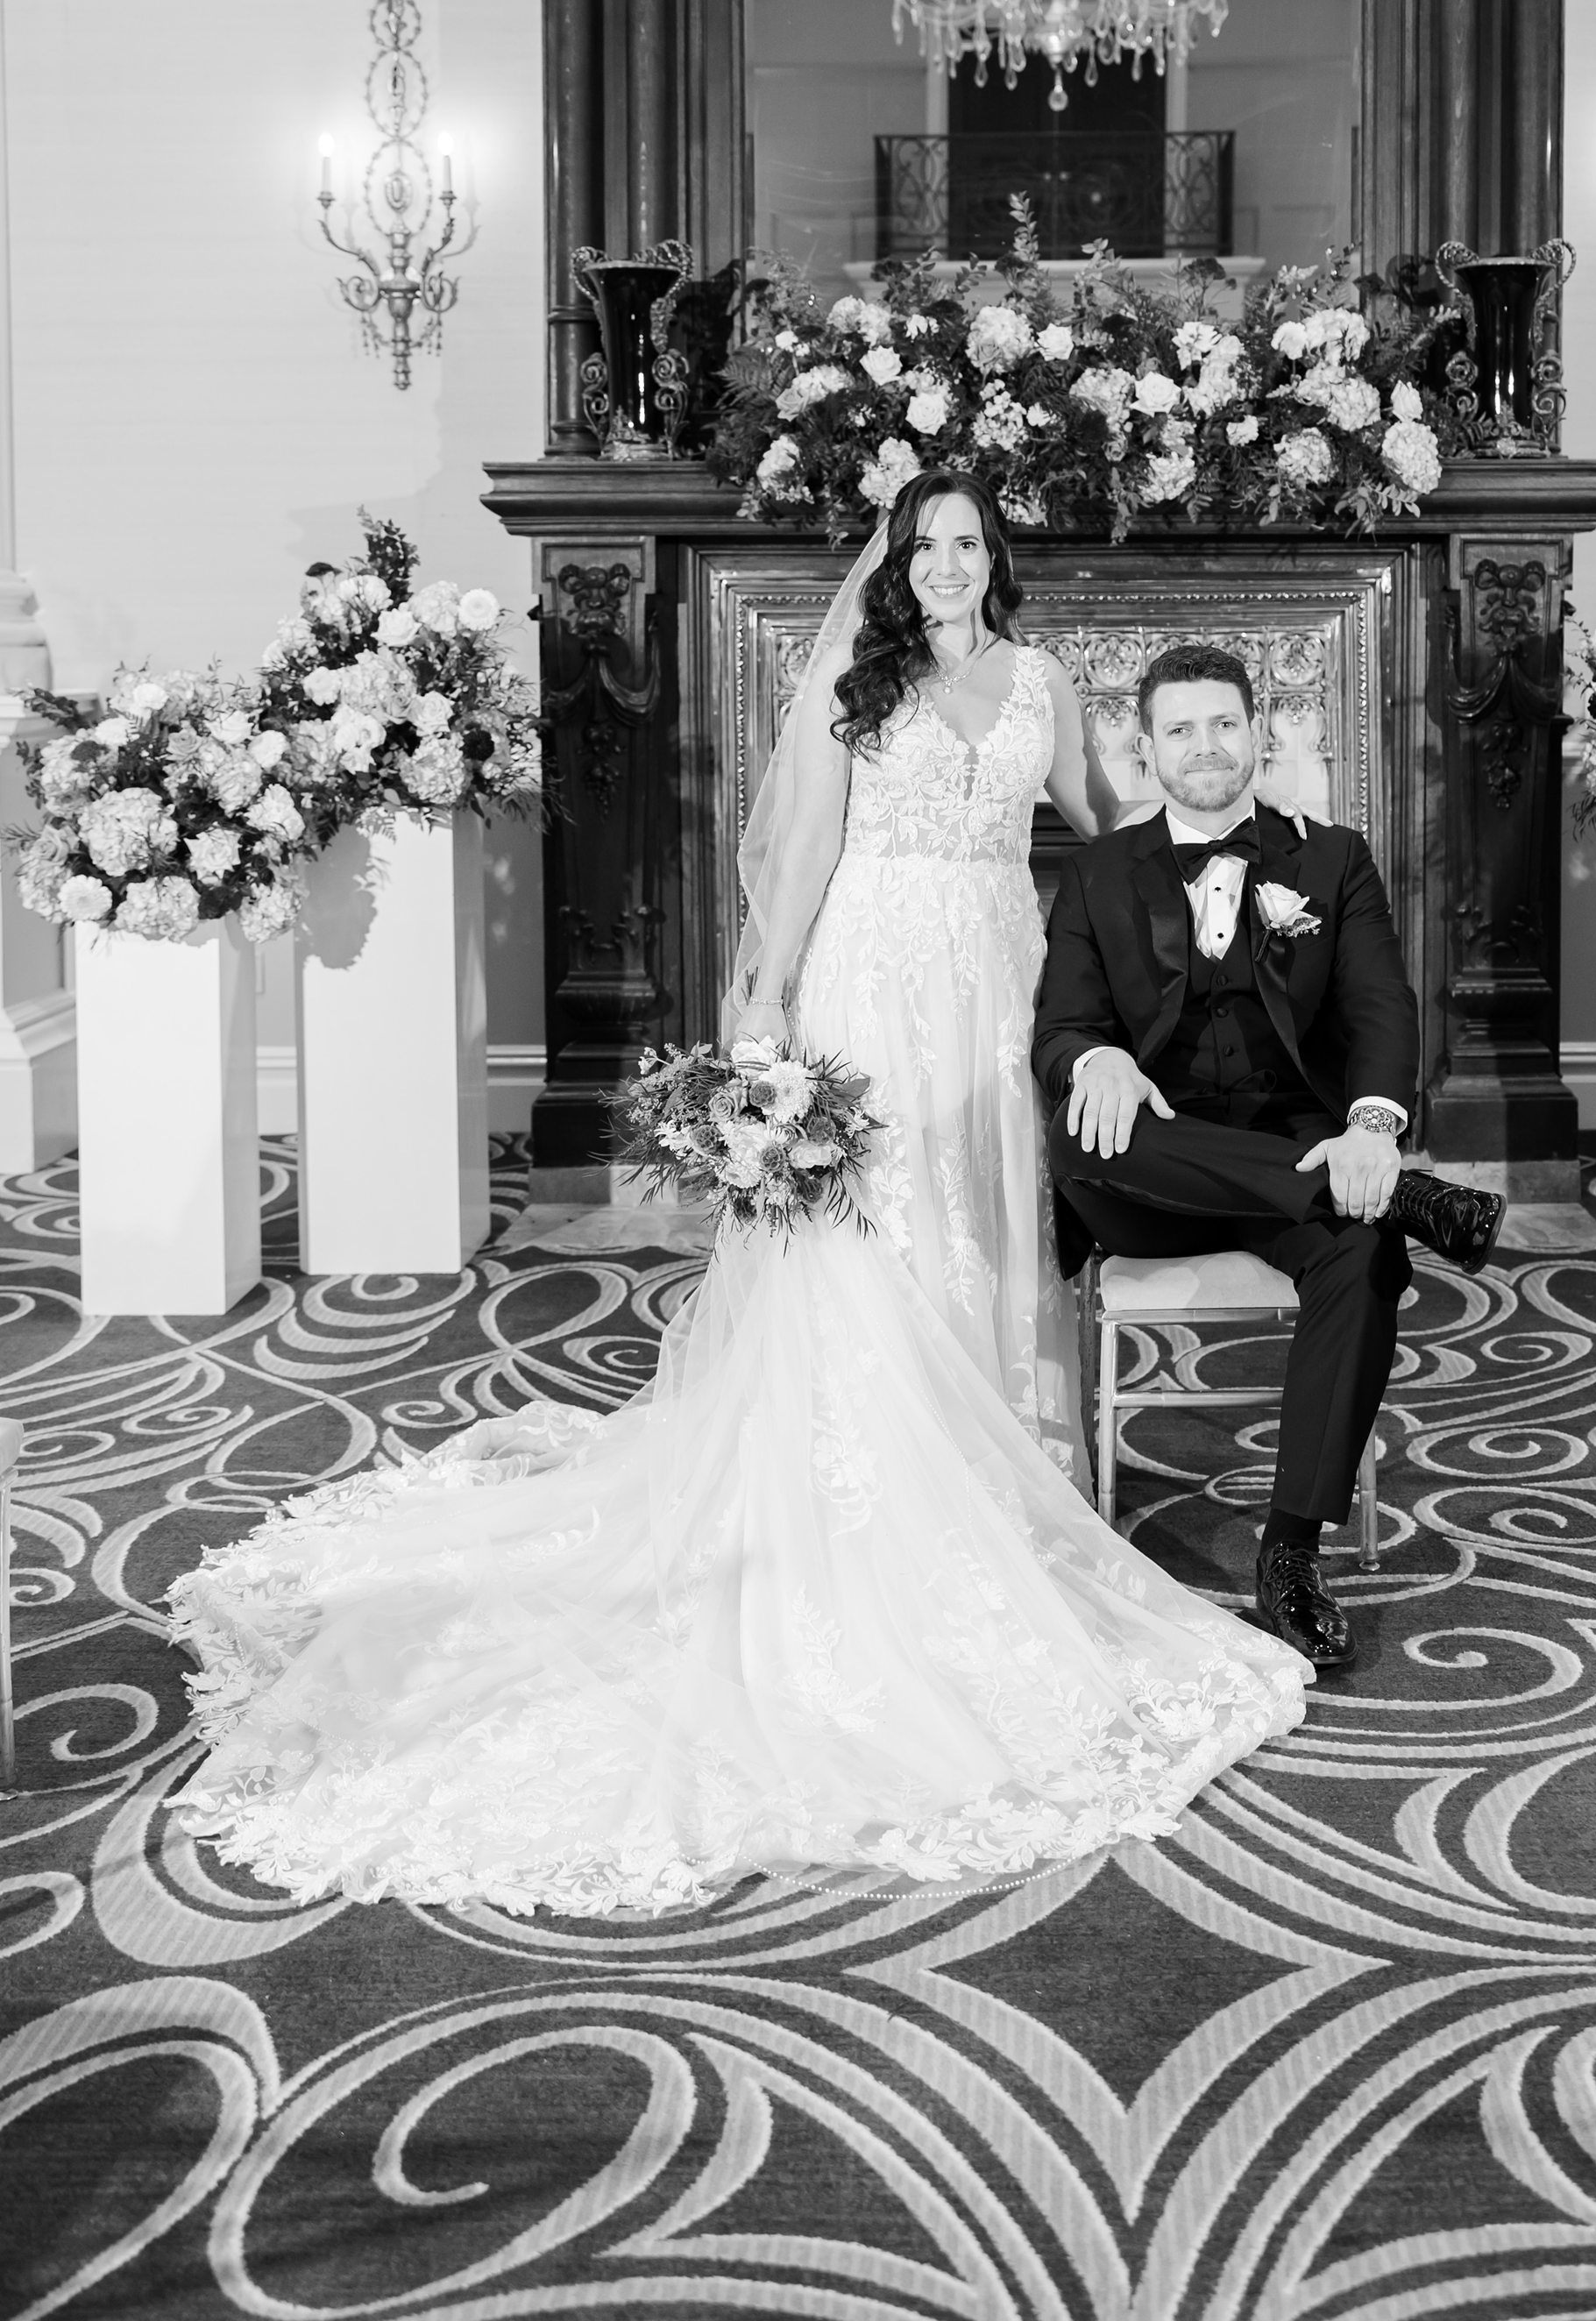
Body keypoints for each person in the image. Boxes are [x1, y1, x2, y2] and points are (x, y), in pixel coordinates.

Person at [166, 477, 1310, 1918]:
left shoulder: (1046, 683)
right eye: (928, 543)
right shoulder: (856, 676)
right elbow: (801, 859)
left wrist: (1235, 814)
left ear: (995, 562)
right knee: (875, 1242)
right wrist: (765, 1036)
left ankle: (1010, 1476)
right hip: (873, 983)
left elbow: (1106, 822)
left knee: (991, 1218)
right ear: (896, 563)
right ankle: (895, 1504)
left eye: (972, 544)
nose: (950, 563)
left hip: (1003, 975)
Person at [1033, 642, 1504, 1676]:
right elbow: (1059, 1026)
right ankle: (1404, 1199)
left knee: (1366, 1256)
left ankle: (1290, 1552)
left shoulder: (1332, 859)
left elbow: (1382, 1007)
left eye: (1223, 724)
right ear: (1146, 752)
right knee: (1083, 1123)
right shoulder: (1099, 870)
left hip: (1294, 1150)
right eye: (1179, 730)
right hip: (1147, 1174)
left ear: (1260, 735)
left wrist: (1374, 1127)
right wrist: (1098, 1052)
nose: (1204, 747)